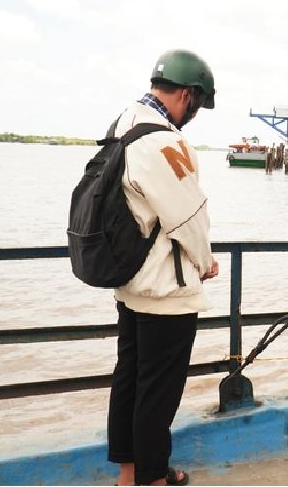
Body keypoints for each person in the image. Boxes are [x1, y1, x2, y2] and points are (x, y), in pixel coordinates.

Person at [106, 49, 219, 487]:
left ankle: (129, 473)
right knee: (159, 388)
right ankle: (152, 478)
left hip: (130, 277)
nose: (195, 114)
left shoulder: (124, 125)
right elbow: (187, 215)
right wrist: (204, 258)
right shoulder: (163, 141)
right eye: (198, 104)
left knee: (130, 378)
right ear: (188, 94)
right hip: (164, 289)